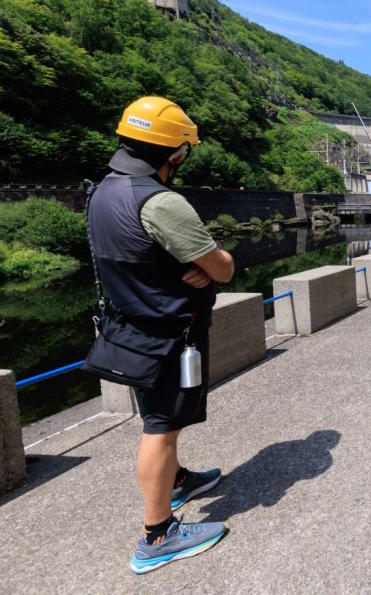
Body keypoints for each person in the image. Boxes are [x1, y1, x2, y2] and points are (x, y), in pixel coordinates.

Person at [89, 97, 235, 573]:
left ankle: (176, 481)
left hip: (131, 327)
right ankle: (158, 534)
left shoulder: (105, 190)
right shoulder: (161, 201)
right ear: (174, 152)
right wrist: (205, 269)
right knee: (160, 429)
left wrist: (184, 270)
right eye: (184, 150)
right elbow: (224, 266)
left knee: (160, 418)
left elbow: (133, 254)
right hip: (168, 333)